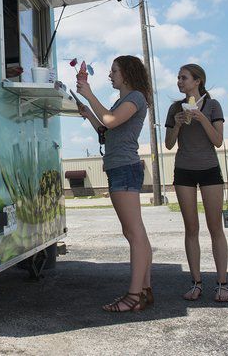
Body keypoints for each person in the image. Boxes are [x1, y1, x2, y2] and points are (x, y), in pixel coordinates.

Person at [76, 55, 154, 312]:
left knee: (134, 233)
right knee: (136, 232)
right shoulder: (124, 101)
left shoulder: (136, 98)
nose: (110, 75)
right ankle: (143, 291)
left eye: (114, 71)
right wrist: (88, 113)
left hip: (124, 169)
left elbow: (110, 120)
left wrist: (88, 93)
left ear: (128, 74)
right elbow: (106, 130)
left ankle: (134, 296)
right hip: (120, 168)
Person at [164, 64, 228, 303]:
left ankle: (222, 284)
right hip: (184, 172)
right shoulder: (174, 108)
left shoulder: (213, 106)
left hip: (210, 171)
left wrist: (202, 118)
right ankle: (196, 282)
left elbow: (218, 141)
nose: (179, 81)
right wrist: (179, 123)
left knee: (215, 228)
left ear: (198, 81)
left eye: (184, 77)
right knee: (191, 229)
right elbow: (169, 144)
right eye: (178, 77)